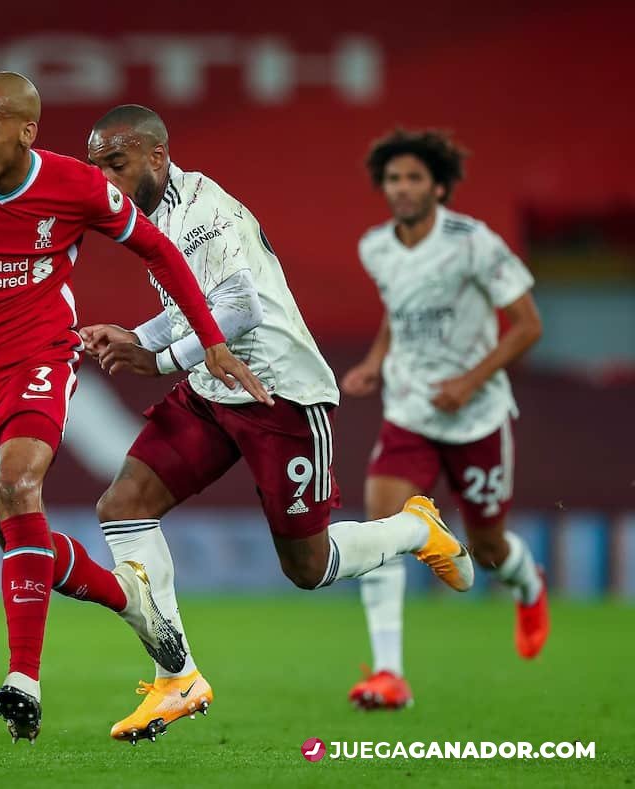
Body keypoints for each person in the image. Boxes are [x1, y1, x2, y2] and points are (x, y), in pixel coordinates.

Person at [0, 72, 270, 744]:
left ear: (26, 131)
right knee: (18, 541)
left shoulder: (75, 187)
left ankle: (23, 679)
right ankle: (130, 598)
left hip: (37, 357)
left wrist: (210, 341)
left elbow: (160, 249)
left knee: (18, 482)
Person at [80, 106, 475, 743]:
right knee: (123, 505)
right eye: (95, 167)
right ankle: (175, 678)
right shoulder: (149, 215)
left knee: (308, 568)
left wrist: (156, 359)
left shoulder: (206, 212)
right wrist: (138, 337)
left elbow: (239, 307)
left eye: (115, 165)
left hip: (279, 396)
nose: (104, 180)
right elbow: (193, 310)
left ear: (155, 157)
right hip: (214, 388)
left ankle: (412, 528)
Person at [343, 129, 547, 710]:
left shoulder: (474, 242)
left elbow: (529, 325)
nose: (402, 188)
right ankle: (388, 673)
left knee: (485, 547)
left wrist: (470, 381)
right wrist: (376, 363)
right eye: (393, 179)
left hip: (476, 417)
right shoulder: (375, 246)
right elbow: (396, 311)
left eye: (413, 178)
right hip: (408, 411)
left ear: (438, 185)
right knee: (382, 528)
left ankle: (529, 584)